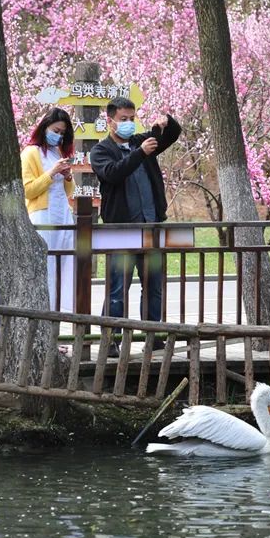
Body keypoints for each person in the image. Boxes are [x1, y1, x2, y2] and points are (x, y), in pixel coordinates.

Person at [90, 96, 180, 349]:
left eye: (132, 118)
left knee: (154, 286)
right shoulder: (101, 151)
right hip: (121, 230)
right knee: (118, 288)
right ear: (110, 121)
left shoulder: (141, 142)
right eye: (123, 119)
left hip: (150, 226)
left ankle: (153, 338)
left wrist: (166, 122)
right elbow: (113, 173)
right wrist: (140, 153)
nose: (128, 123)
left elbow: (171, 135)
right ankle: (111, 340)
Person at [21, 108, 75, 310]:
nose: (58, 136)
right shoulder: (31, 153)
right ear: (44, 127)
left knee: (64, 266)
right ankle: (44, 314)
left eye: (62, 133)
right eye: (56, 130)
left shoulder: (58, 152)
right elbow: (28, 190)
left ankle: (60, 314)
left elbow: (68, 191)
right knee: (46, 266)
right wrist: (52, 172)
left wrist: (67, 177)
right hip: (43, 216)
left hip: (63, 216)